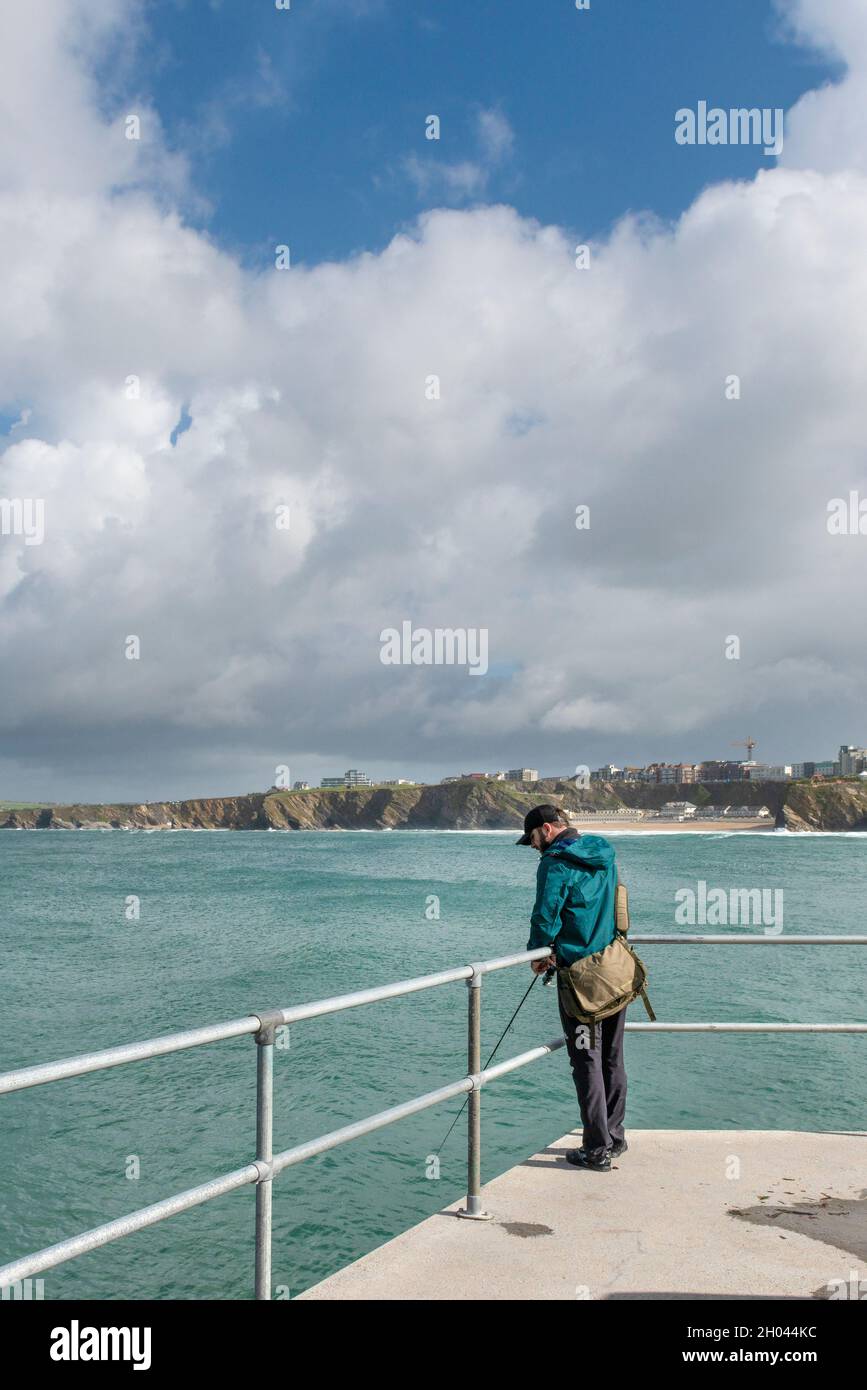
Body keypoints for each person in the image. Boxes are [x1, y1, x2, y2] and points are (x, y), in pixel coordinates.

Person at [517, 804, 628, 1172]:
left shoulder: (554, 862)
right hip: (614, 968)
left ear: (547, 829)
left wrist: (538, 953)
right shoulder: (602, 849)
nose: (534, 847)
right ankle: (615, 1136)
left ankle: (596, 1150)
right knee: (611, 1056)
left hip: (581, 980)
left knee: (585, 1060)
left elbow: (545, 914)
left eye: (533, 839)